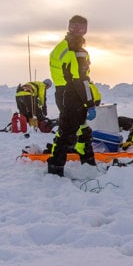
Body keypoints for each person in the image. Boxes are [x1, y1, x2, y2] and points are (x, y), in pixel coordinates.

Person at [47, 15, 97, 177]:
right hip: (73, 95)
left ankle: (88, 164)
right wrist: (90, 103)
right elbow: (81, 80)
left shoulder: (61, 46)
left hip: (62, 93)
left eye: (81, 27)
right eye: (77, 27)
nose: (79, 31)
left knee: (83, 131)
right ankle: (55, 168)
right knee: (67, 133)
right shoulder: (77, 51)